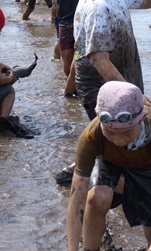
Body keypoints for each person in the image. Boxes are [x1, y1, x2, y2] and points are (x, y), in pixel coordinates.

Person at [55, 0, 146, 186]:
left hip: (123, 79)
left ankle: (89, 166)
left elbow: (142, 2)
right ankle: (92, 179)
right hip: (104, 87)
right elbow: (99, 60)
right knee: (121, 139)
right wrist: (133, 94)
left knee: (128, 139)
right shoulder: (98, 7)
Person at [67, 81, 151, 251]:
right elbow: (77, 198)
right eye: (110, 133)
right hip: (110, 162)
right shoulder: (92, 135)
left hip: (147, 167)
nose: (119, 141)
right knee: (96, 198)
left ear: (141, 120)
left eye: (127, 133)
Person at [52, 0, 78, 98]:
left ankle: (73, 91)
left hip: (82, 20)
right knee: (67, 68)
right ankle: (72, 92)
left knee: (77, 62)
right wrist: (54, 3)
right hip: (64, 21)